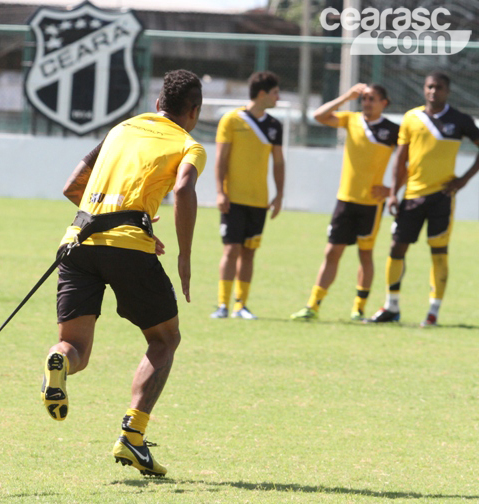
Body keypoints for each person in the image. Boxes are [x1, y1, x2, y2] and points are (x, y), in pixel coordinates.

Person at [40, 69, 206, 477]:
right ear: (194, 111)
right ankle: (133, 437)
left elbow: (72, 184)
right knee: (165, 339)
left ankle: (57, 362)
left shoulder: (121, 129)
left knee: (73, 346)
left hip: (78, 241)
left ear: (157, 105)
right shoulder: (189, 144)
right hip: (128, 246)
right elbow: (184, 189)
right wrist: (184, 255)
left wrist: (114, 220)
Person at [368, 72, 479, 326]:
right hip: (412, 196)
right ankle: (391, 306)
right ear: (423, 89)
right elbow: (401, 158)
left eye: (438, 87)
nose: (433, 91)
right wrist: (393, 193)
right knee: (397, 248)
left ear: (447, 91)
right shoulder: (411, 118)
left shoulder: (459, 120)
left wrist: (463, 180)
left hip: (442, 197)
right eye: (429, 87)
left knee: (439, 252)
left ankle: (433, 312)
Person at [290, 83, 398, 321]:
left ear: (384, 103)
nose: (366, 102)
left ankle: (359, 308)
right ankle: (313, 306)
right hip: (345, 200)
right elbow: (319, 116)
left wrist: (392, 189)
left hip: (371, 204)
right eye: (365, 98)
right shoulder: (351, 120)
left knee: (365, 255)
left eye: (372, 99)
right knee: (331, 252)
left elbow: (412, 161)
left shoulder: (392, 130)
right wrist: (347, 96)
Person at [210, 71, 285, 320]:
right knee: (231, 250)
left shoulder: (275, 126)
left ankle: (240, 305)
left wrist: (279, 195)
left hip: (259, 200)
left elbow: (278, 162)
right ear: (262, 94)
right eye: (275, 92)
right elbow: (220, 159)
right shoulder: (231, 120)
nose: (278, 97)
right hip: (233, 199)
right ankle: (222, 304)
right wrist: (221, 192)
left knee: (249, 252)